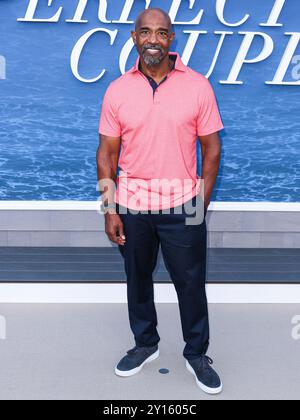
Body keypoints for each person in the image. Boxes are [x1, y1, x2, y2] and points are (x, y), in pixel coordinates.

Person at [97, 7, 224, 395]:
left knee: (190, 283)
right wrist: (109, 208)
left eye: (162, 32)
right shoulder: (118, 90)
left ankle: (197, 353)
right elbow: (106, 154)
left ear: (171, 38)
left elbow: (212, 150)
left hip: (183, 203)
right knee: (137, 280)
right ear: (135, 37)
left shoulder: (198, 86)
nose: (154, 39)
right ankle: (145, 344)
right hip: (132, 205)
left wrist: (198, 204)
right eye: (146, 32)